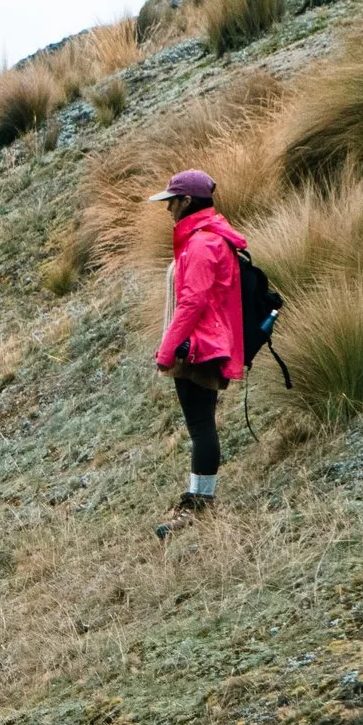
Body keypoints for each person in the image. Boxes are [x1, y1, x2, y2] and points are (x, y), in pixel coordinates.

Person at [147, 169, 247, 535]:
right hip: (203, 344)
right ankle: (197, 498)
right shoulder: (203, 238)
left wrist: (167, 349)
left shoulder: (203, 243)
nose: (168, 208)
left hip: (200, 348)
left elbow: (193, 302)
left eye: (171, 201)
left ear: (187, 201)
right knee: (201, 424)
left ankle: (199, 504)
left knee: (201, 426)